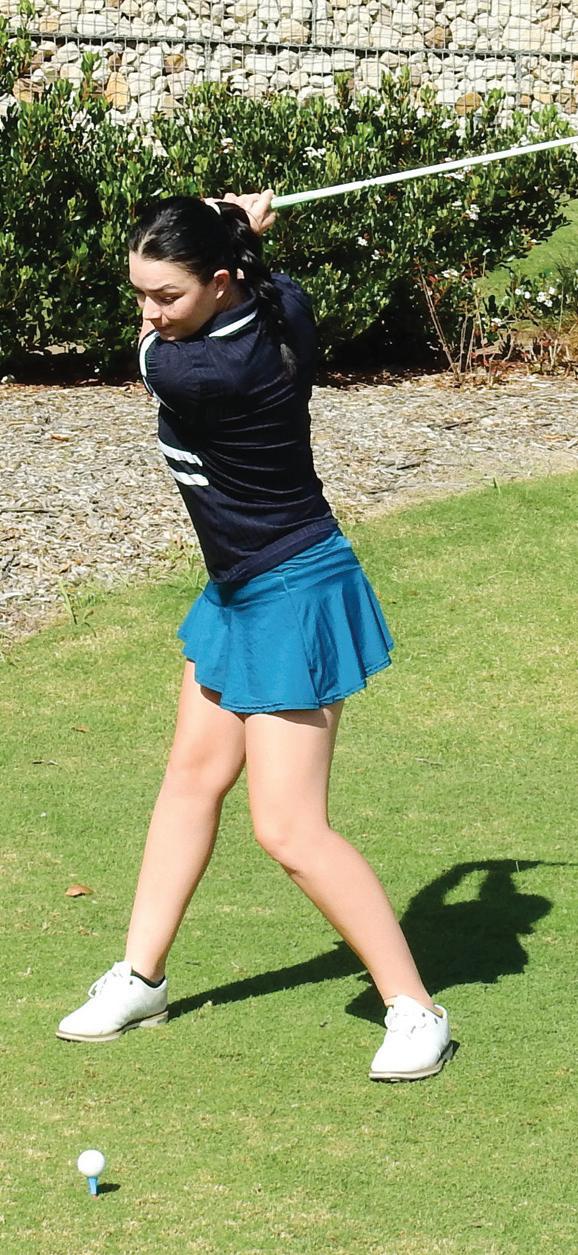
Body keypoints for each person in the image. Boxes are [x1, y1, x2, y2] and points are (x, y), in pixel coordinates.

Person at [57, 188, 452, 1081]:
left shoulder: (197, 371)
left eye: (166, 296)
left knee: (288, 827)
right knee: (192, 776)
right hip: (242, 584)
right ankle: (141, 976)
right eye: (140, 294)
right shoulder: (282, 310)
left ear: (221, 282)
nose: (150, 314)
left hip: (291, 589)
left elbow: (150, 354)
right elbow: (270, 283)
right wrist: (232, 229)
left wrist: (232, 220)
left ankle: (416, 1009)